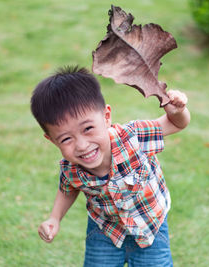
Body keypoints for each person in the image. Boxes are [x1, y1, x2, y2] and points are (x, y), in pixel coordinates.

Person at [30, 65, 190, 267]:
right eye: (66, 139)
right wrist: (55, 218)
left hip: (150, 226)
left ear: (106, 117)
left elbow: (176, 124)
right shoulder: (71, 168)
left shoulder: (133, 137)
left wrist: (178, 112)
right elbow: (68, 188)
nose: (82, 145)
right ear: (52, 140)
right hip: (105, 230)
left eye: (88, 128)